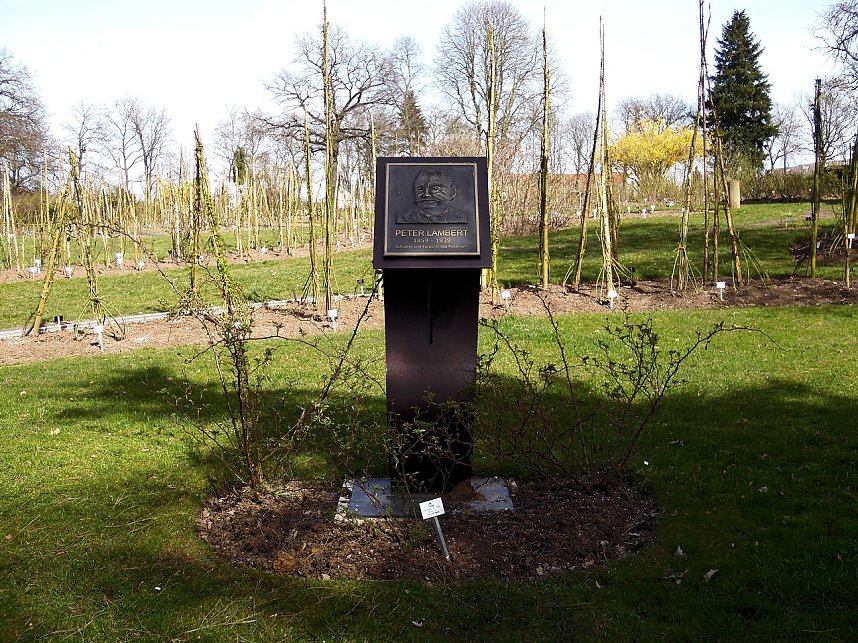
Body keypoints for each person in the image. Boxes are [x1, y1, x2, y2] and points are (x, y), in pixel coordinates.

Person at [396, 168, 469, 224]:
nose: (426, 194)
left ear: (453, 192)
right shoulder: (401, 218)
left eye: (435, 189)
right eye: (421, 189)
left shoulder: (463, 217)